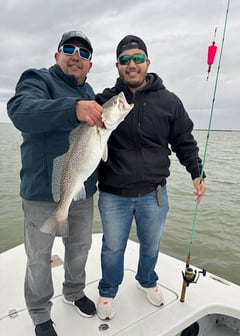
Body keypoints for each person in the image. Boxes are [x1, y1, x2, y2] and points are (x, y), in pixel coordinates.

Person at [95, 35, 207, 320]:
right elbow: (82, 136)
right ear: (117, 66)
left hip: (154, 194)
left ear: (147, 62)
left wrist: (197, 173)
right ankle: (108, 291)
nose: (131, 65)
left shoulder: (169, 101)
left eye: (137, 59)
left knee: (151, 244)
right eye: (124, 60)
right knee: (112, 247)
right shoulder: (104, 100)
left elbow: (184, 140)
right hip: (113, 194)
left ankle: (146, 280)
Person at [7, 30, 103, 336]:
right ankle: (38, 311)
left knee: (80, 247)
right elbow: (20, 111)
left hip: (81, 191)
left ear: (90, 65)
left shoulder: (91, 93)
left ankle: (74, 292)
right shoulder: (37, 80)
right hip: (39, 192)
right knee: (39, 256)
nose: (76, 55)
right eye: (69, 49)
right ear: (57, 55)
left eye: (84, 53)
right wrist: (72, 109)